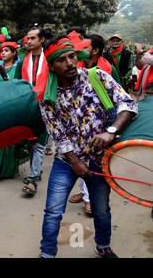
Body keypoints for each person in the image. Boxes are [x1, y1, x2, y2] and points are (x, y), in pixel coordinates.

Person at [35, 36, 137, 258]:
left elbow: (128, 104)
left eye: (72, 56)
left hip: (100, 158)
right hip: (66, 160)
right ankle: (47, 253)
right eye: (61, 60)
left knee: (101, 210)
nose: (70, 63)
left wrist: (110, 132)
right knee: (53, 211)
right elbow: (57, 133)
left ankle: (103, 246)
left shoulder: (96, 77)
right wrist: (75, 162)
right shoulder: (48, 96)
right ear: (51, 66)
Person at [14, 27, 49, 196]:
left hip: (45, 106)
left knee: (39, 143)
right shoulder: (22, 61)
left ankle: (33, 179)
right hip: (27, 106)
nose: (28, 41)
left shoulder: (50, 59)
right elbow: (17, 84)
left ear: (41, 40)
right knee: (28, 141)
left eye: (32, 38)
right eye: (27, 38)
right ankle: (36, 170)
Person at [0, 41, 26, 180]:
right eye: (1, 51)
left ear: (14, 53)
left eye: (7, 50)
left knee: (7, 139)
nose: (3, 53)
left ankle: (5, 171)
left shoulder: (18, 69)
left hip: (11, 107)